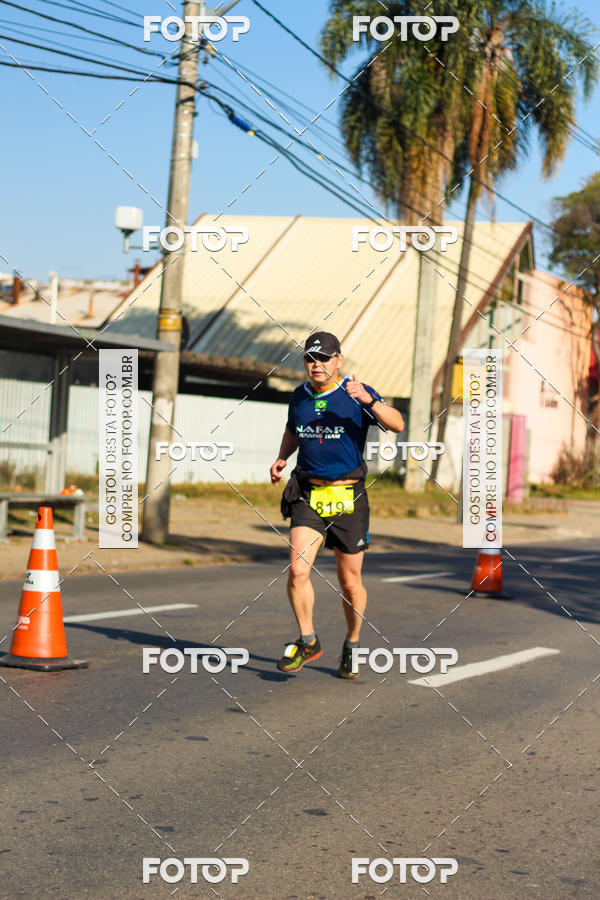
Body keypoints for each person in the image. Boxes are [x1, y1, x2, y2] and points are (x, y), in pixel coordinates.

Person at [270, 331, 404, 679]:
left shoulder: (355, 393)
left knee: (349, 582)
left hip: (348, 498)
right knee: (298, 571)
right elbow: (292, 429)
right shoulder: (299, 396)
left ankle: (353, 643)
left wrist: (369, 401)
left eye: (324, 359)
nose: (317, 365)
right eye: (310, 359)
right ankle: (308, 640)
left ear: (338, 360)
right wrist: (282, 458)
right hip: (308, 494)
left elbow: (397, 424)